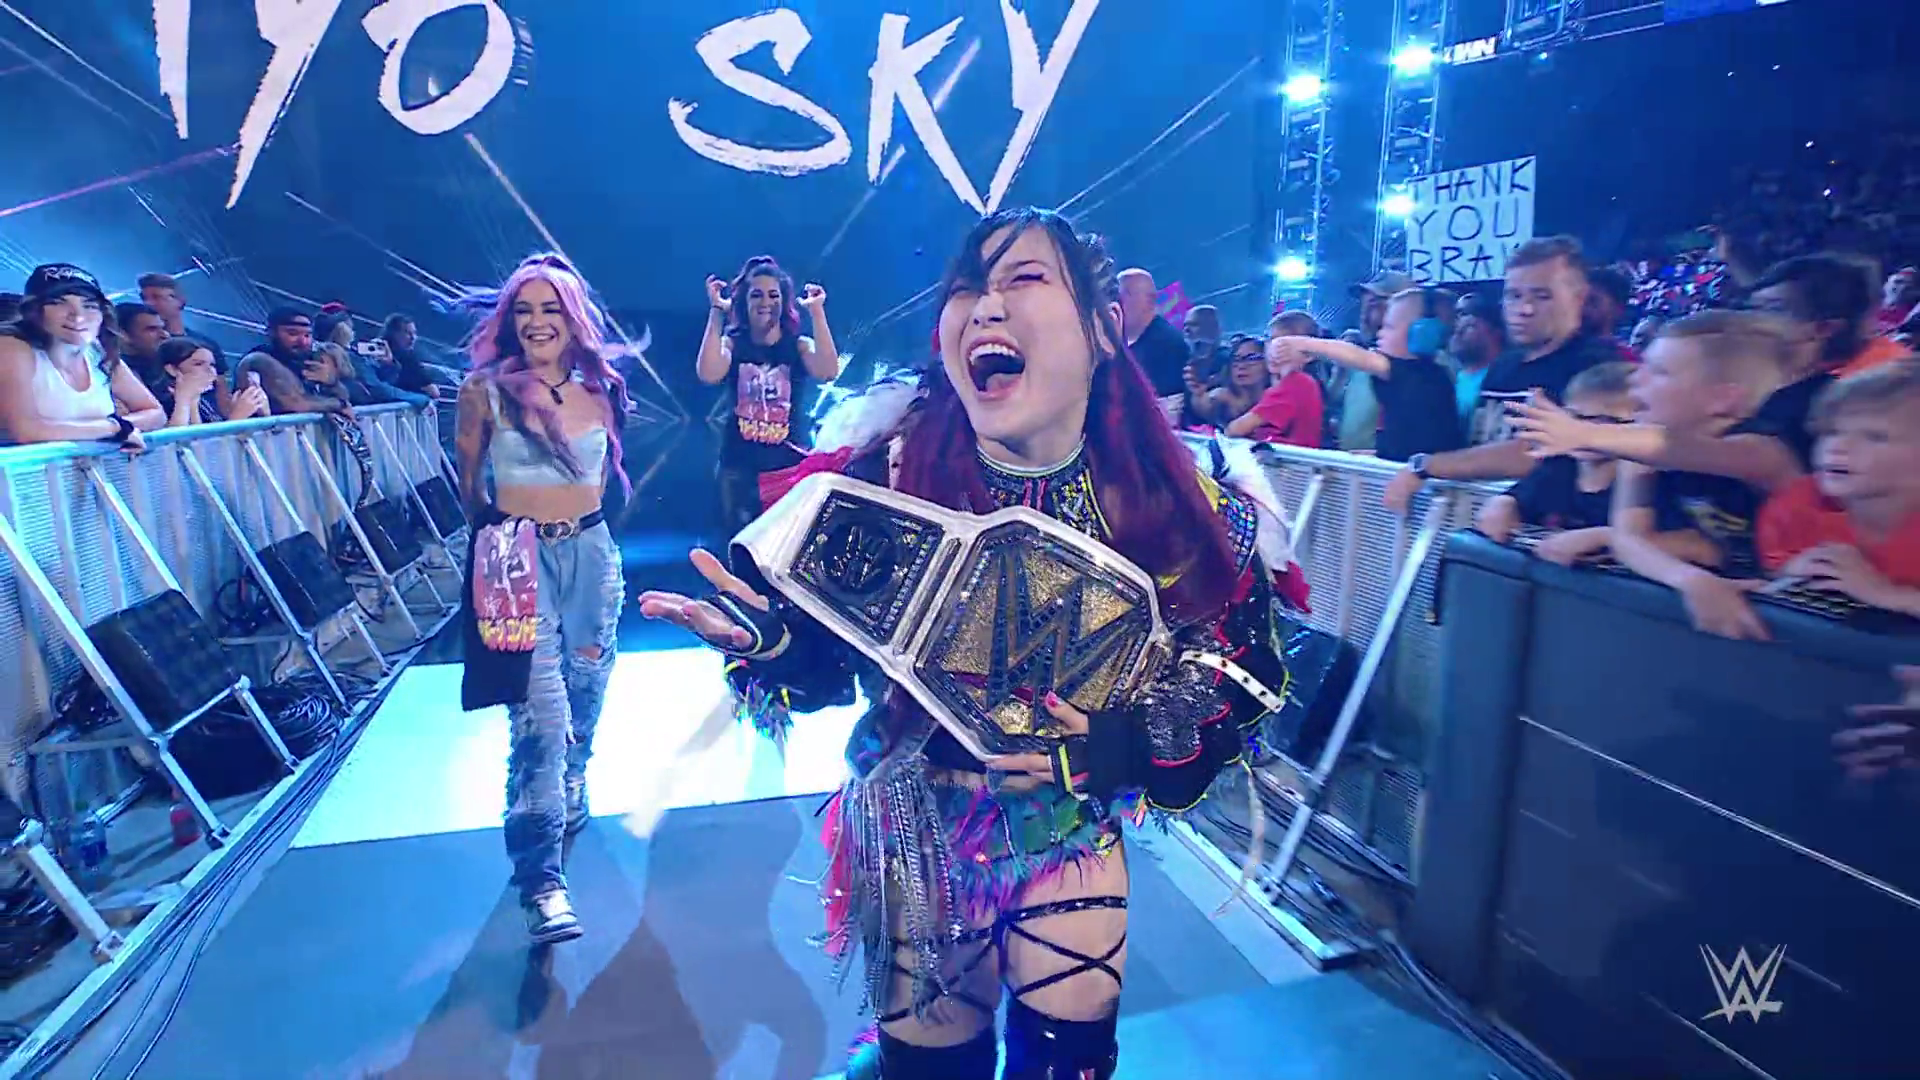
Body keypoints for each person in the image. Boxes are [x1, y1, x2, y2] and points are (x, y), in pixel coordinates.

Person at [639, 208, 1299, 1080]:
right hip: (914, 825)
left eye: (1024, 278)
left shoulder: (1175, 497)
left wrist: (1122, 745)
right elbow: (827, 660)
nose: (986, 305)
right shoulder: (887, 471)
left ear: (1102, 329)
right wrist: (776, 642)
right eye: (966, 287)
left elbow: (1235, 664)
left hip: (1070, 835)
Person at [454, 257, 631, 945]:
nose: (536, 322)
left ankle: (576, 776)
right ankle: (541, 881)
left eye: (550, 308)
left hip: (591, 554)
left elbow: (602, 478)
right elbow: (469, 484)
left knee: (587, 689)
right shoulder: (484, 393)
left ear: (572, 317)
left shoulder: (601, 388)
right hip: (513, 559)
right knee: (539, 720)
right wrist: (498, 553)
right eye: (523, 309)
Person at [1382, 236, 1615, 511]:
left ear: (1578, 298)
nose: (1524, 309)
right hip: (1483, 519)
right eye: (1514, 296)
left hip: (1554, 529)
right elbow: (1478, 445)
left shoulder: (1597, 367)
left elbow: (1534, 453)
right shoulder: (1504, 365)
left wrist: (1428, 465)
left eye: (1542, 296)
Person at [1756, 361, 1920, 615]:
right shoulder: (1797, 506)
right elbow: (1773, 569)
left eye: (1875, 436)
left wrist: (1887, 594)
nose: (1838, 447)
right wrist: (1790, 572)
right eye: (1831, 432)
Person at [697, 256, 840, 536]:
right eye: (757, 295)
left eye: (774, 295)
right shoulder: (733, 344)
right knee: (739, 545)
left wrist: (817, 312)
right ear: (744, 302)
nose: (766, 302)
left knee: (784, 545)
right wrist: (716, 312)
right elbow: (708, 373)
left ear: (784, 302)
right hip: (739, 470)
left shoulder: (797, 346)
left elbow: (828, 371)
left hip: (789, 469)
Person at [1272, 287, 1464, 463]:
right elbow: (1407, 444)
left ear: (1421, 334)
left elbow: (1358, 356)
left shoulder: (1420, 375)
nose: (1380, 333)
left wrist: (1300, 343)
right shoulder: (1428, 377)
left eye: (1389, 327)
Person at [0, 264, 164, 448]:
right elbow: (27, 431)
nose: (78, 316)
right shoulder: (11, 347)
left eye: (89, 306)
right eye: (59, 303)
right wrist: (115, 429)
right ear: (34, 310)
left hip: (95, 466)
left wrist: (118, 427)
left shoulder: (97, 352)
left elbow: (155, 413)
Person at [1223, 332, 1323, 447]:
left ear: (1308, 355)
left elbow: (1234, 430)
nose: (1274, 351)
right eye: (1271, 342)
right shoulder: (1282, 387)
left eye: (1251, 358)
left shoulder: (1296, 384)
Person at [152, 337, 268, 426]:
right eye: (198, 364)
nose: (210, 370)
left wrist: (263, 414)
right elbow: (182, 444)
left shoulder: (202, 400)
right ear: (172, 369)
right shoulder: (163, 401)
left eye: (212, 365)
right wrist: (238, 417)